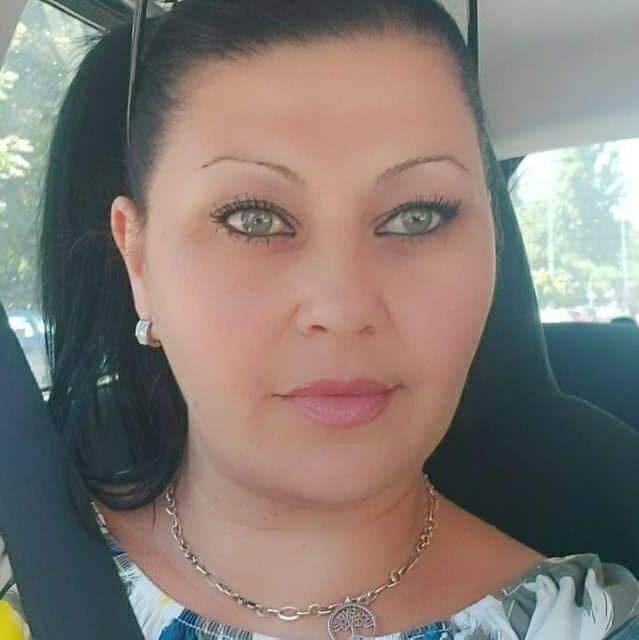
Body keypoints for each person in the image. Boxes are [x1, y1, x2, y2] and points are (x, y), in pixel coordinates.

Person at [1, 1, 639, 638]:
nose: (343, 309)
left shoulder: (589, 624)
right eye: (253, 218)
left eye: (417, 216)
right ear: (139, 261)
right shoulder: (20, 569)